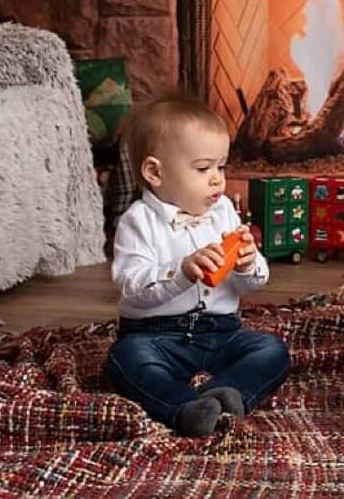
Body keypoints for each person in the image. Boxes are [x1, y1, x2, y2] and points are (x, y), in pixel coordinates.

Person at [103, 91, 289, 436]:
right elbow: (131, 286)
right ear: (155, 172)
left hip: (221, 332)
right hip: (156, 336)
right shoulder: (138, 221)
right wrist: (181, 273)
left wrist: (248, 266)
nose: (218, 178)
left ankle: (226, 391)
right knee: (125, 360)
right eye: (203, 168)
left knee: (272, 350)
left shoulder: (224, 213)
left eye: (221, 166)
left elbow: (250, 286)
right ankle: (183, 407)